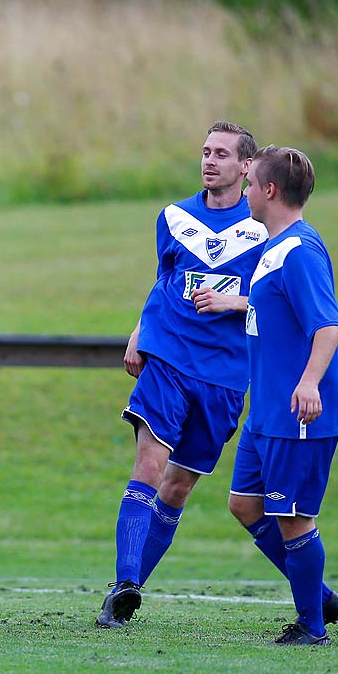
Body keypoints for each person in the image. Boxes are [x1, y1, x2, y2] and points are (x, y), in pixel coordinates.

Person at [98, 122, 274, 627]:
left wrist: (231, 301)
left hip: (224, 377)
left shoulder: (265, 229)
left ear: (247, 167)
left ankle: (127, 588)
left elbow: (278, 304)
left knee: (176, 490)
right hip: (169, 361)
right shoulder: (174, 217)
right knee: (147, 472)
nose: (209, 160)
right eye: (205, 151)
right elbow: (165, 280)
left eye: (221, 153)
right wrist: (139, 331)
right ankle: (124, 586)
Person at [225, 146, 338, 646]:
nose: (246, 189)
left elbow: (328, 324)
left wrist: (309, 382)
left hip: (298, 411)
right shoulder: (275, 247)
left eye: (251, 181)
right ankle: (317, 593)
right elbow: (270, 309)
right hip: (267, 412)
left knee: (294, 518)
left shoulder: (300, 251)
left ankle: (311, 625)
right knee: (244, 505)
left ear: (269, 191)